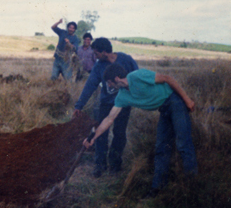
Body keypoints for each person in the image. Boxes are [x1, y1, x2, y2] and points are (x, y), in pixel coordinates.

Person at [83, 64, 198, 198]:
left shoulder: (137, 76)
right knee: (161, 149)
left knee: (183, 144)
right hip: (164, 110)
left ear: (116, 78)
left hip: (175, 102)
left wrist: (187, 100)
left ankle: (192, 187)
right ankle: (158, 188)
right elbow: (109, 119)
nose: (109, 86)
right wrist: (93, 138)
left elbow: (167, 78)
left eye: (109, 83)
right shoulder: (122, 96)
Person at [73, 37, 139, 177]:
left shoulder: (126, 60)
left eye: (96, 53)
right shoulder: (98, 66)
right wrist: (79, 105)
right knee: (101, 132)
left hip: (124, 104)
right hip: (106, 103)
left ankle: (115, 164)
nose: (95, 56)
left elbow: (137, 77)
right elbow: (90, 85)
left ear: (104, 52)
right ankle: (99, 165)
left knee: (119, 134)